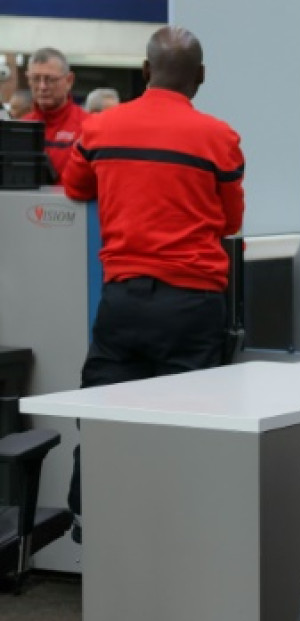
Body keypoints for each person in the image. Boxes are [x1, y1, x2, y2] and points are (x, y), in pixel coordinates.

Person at [62, 27, 244, 541]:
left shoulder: (100, 128)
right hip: (194, 306)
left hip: (124, 302)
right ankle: (183, 535)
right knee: (192, 424)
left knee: (103, 417)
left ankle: (92, 521)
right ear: (201, 78)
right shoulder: (220, 138)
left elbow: (76, 187)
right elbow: (229, 221)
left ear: (145, 72)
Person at [21, 47, 87, 181]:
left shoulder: (88, 127)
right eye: (35, 79)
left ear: (69, 80)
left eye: (50, 79)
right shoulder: (21, 127)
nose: (42, 87)